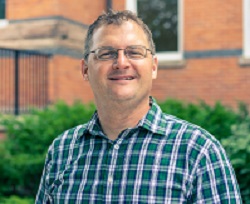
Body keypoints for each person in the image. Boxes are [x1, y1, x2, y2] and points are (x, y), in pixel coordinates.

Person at [35, 10, 242, 203]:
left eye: (134, 52)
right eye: (106, 53)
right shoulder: (62, 150)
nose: (121, 63)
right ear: (85, 69)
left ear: (153, 66)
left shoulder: (199, 152)